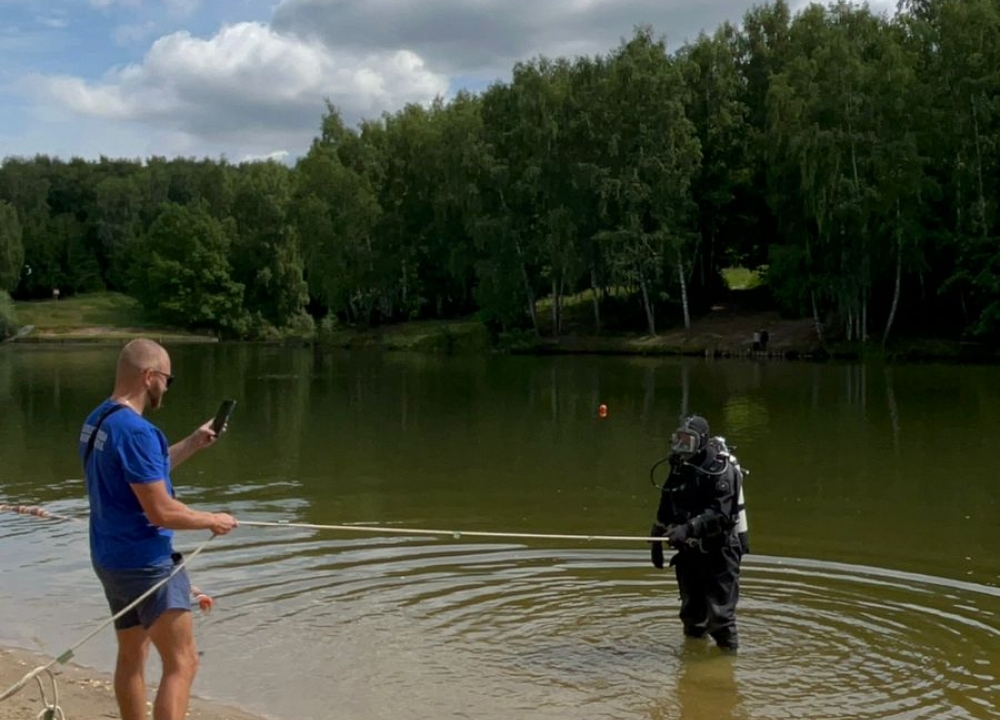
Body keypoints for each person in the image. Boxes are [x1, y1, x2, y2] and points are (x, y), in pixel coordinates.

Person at [79, 338, 239, 720]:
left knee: (133, 656)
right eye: (167, 379)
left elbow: (142, 474)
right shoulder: (137, 432)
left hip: (111, 559)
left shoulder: (99, 419)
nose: (167, 387)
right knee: (183, 663)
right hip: (146, 563)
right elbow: (161, 512)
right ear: (149, 376)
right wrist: (211, 520)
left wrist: (193, 444)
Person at [648, 414, 744, 652]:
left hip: (720, 550)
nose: (682, 448)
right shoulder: (680, 466)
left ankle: (727, 665)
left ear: (700, 442)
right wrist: (657, 533)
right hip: (689, 550)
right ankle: (692, 664)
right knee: (692, 615)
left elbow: (720, 513)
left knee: (720, 619)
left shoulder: (721, 470)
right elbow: (668, 496)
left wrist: (688, 528)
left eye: (687, 441)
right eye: (678, 440)